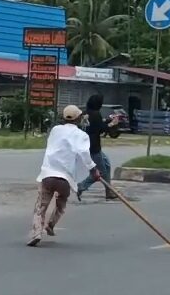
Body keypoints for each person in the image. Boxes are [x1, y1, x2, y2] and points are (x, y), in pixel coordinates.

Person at [28, 105, 98, 247]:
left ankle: (37, 232)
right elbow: (84, 154)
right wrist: (93, 170)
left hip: (48, 174)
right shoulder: (81, 135)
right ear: (78, 119)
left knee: (40, 207)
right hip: (65, 179)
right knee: (61, 204)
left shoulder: (55, 130)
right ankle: (51, 224)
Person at [77, 94, 119, 201]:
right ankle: (81, 186)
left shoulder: (85, 113)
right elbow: (100, 129)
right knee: (100, 173)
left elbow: (94, 126)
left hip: (86, 145)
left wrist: (107, 120)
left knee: (107, 164)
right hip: (94, 147)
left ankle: (109, 191)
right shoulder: (96, 114)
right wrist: (112, 124)